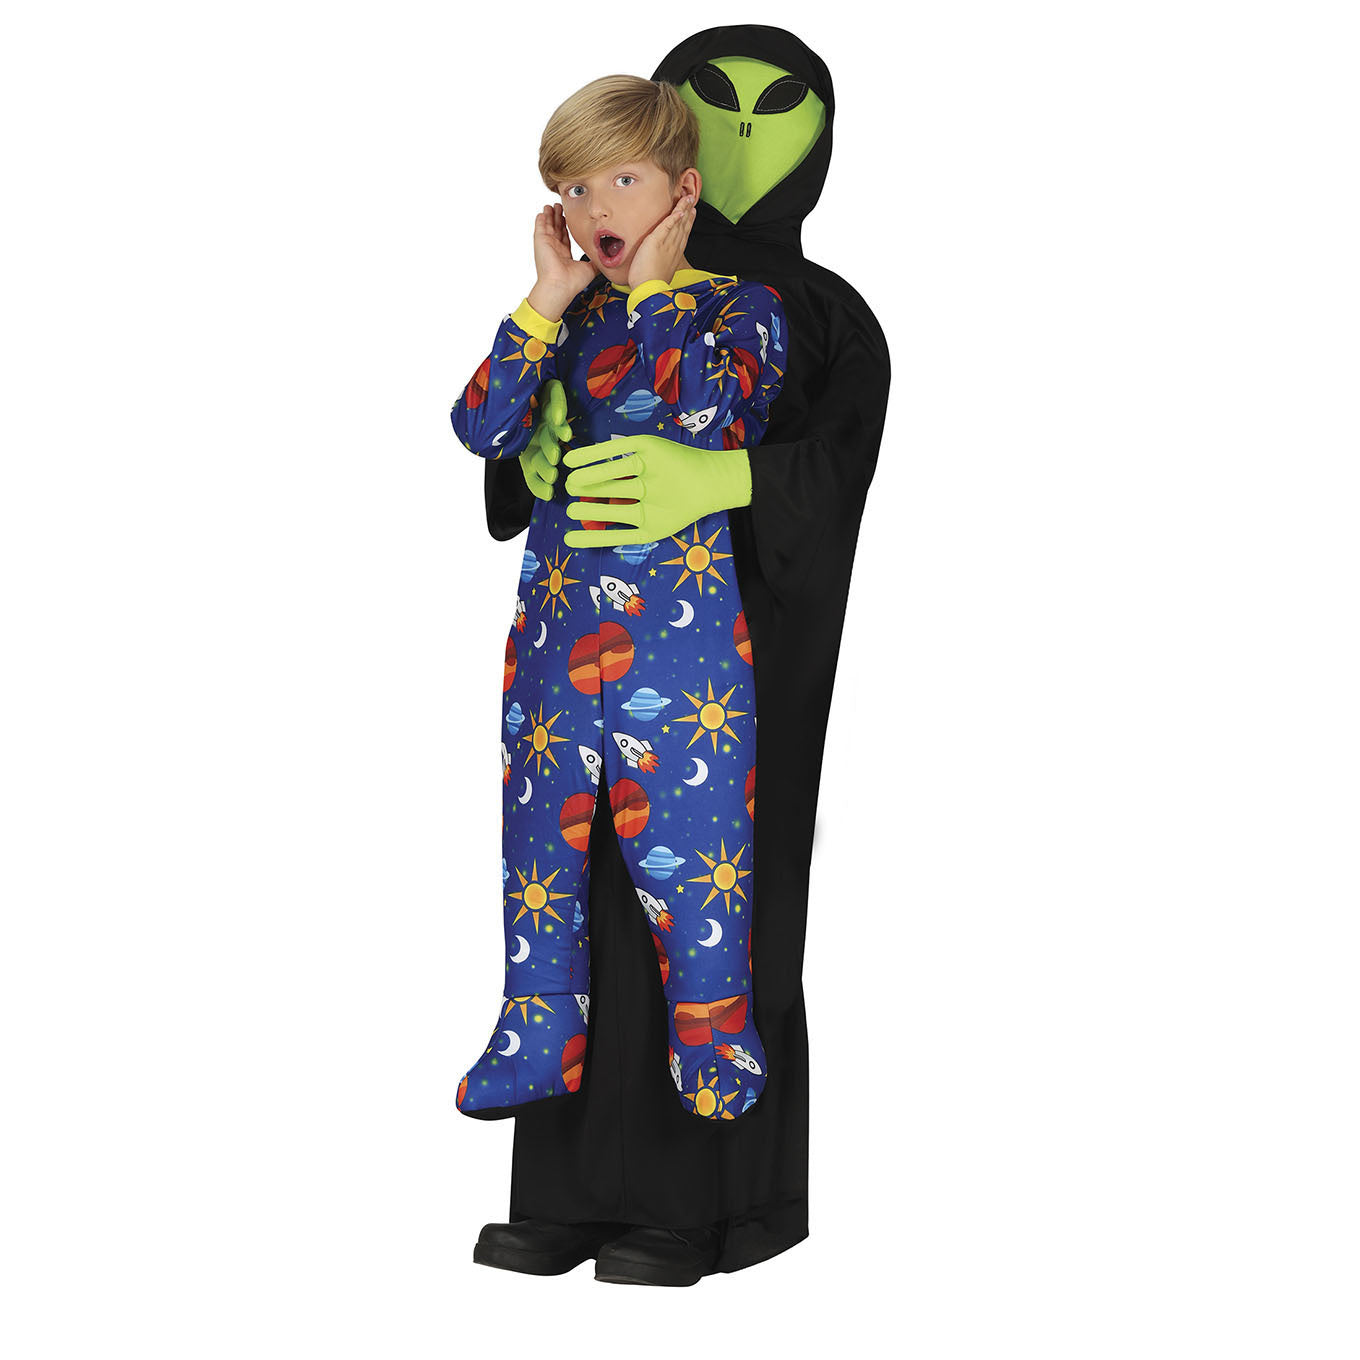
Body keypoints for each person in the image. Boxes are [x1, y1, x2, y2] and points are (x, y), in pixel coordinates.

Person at [473, 26, 892, 1287]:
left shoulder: (818, 313)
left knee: (714, 895)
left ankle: (703, 1204)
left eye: (779, 109)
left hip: (743, 646)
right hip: (582, 645)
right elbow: (503, 439)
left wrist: (720, 480)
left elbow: (833, 470)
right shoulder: (590, 306)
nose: (747, 130)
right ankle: (566, 1191)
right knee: (566, 887)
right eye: (716, 101)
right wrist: (530, 451)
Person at [449, 76, 789, 1143]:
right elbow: (480, 427)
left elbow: (713, 415)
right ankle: (536, 1026)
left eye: (622, 182)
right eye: (575, 189)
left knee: (691, 840)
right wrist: (543, 302)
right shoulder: (568, 314)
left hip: (680, 648)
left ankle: (713, 1037)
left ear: (683, 192)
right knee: (538, 845)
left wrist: (652, 294)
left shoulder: (739, 307)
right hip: (554, 639)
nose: (596, 208)